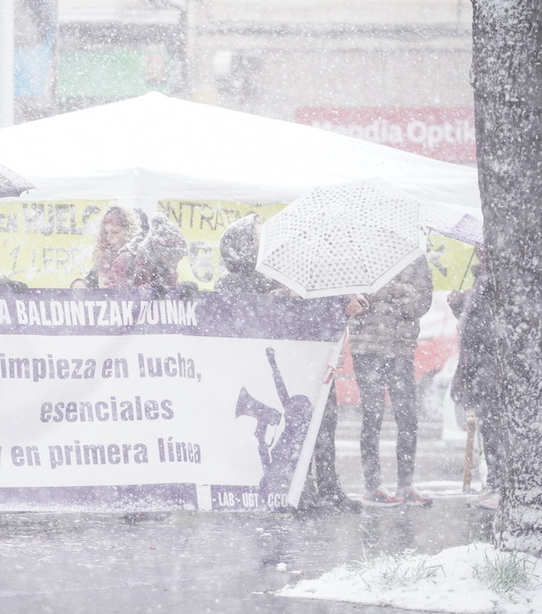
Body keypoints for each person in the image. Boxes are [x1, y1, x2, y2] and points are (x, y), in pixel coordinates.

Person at [215, 214, 361, 515]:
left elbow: (310, 311)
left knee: (323, 425)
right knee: (294, 433)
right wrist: (276, 298)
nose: (265, 240)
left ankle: (329, 489)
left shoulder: (282, 273)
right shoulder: (235, 280)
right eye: (257, 235)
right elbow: (241, 315)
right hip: (277, 371)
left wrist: (339, 305)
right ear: (243, 244)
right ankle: (300, 489)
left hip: (307, 365)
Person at [347, 255, 433, 507]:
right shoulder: (363, 256)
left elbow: (420, 303)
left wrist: (387, 299)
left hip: (401, 348)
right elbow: (359, 298)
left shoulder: (417, 259)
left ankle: (405, 485)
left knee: (407, 417)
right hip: (368, 348)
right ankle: (372, 486)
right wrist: (396, 291)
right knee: (372, 416)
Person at [448, 255, 501, 510]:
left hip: (491, 361)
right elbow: (473, 323)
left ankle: (500, 483)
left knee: (495, 425)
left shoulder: (497, 280)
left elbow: (487, 323)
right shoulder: (480, 278)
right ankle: (494, 482)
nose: (480, 251)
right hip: (478, 362)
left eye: (484, 247)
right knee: (488, 425)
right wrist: (458, 306)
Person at [104, 212, 190, 292]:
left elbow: (168, 295)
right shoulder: (127, 262)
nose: (174, 266)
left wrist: (181, 291)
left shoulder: (165, 269)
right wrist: (150, 290)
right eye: (174, 260)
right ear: (161, 255)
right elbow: (111, 296)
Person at [84, 206, 134, 288]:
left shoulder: (137, 260)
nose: (108, 237)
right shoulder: (104, 258)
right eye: (106, 233)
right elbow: (90, 280)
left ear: (128, 233)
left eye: (114, 232)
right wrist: (81, 284)